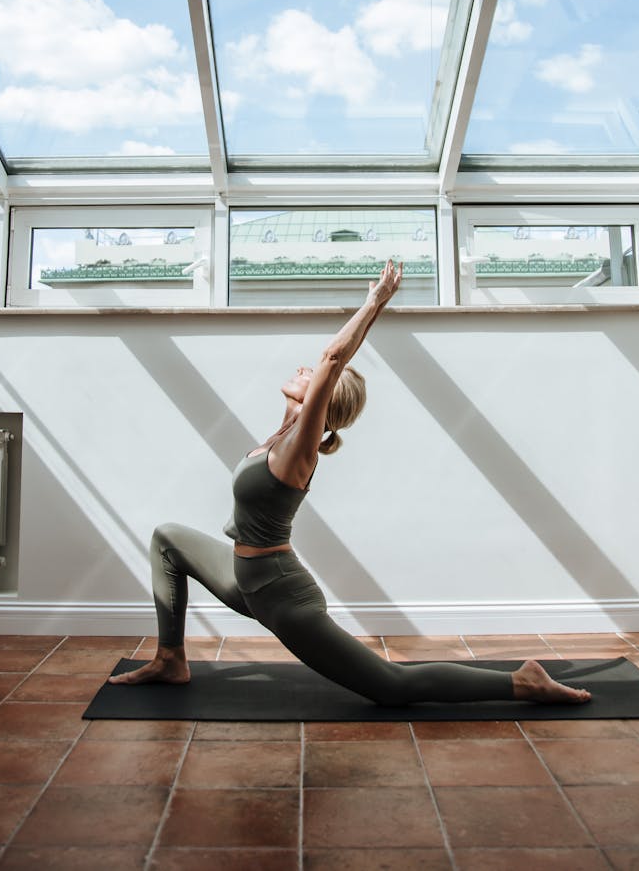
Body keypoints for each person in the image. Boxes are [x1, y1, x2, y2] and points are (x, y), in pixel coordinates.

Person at [111, 260, 591, 706]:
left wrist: (377, 300)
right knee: (167, 538)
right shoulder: (281, 433)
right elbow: (324, 370)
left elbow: (332, 357)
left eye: (313, 376)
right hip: (243, 579)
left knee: (390, 687)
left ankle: (521, 681)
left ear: (324, 398)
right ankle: (171, 659)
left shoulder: (300, 445)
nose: (304, 369)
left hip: (281, 597)